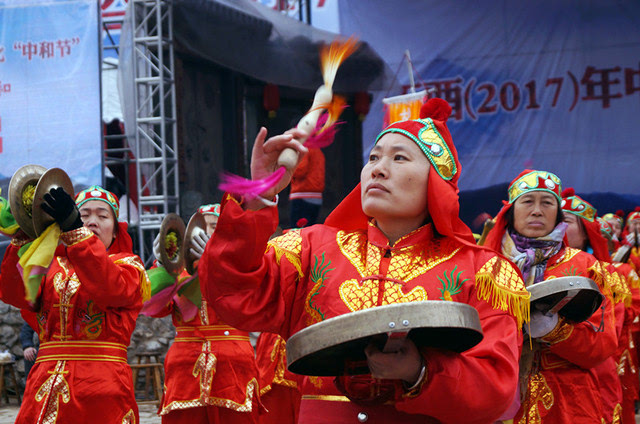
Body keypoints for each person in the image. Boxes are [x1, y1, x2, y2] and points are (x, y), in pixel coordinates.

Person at [199, 98, 530, 423]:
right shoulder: (310, 249)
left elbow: (494, 389)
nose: (378, 169)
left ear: (436, 182)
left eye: (399, 158)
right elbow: (233, 292)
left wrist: (419, 371)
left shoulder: (484, 270)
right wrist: (259, 195)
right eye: (373, 157)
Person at [0, 184, 149, 424]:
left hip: (100, 390)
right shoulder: (49, 263)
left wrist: (75, 231)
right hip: (44, 388)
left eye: (102, 216)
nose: (92, 221)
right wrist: (25, 237)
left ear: (116, 231)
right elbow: (14, 294)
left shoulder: (129, 266)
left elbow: (110, 288)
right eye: (83, 215)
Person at [483, 171, 618, 423]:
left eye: (547, 202)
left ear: (557, 212)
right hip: (493, 396)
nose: (537, 210)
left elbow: (603, 344)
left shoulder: (585, 266)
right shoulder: (484, 267)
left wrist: (556, 329)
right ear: (511, 211)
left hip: (566, 402)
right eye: (527, 201)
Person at [143, 203, 260, 423]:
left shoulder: (245, 267)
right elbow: (155, 307)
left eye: (215, 226)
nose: (206, 233)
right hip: (185, 364)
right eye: (201, 228)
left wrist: (215, 260)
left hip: (233, 364)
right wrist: (162, 265)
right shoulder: (180, 272)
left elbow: (248, 303)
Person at [562, 188, 629, 424]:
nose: (557, 225)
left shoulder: (605, 274)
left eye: (566, 220)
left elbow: (608, 332)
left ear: (586, 232)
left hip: (592, 375)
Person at [289, 147, 325, 227]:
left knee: (296, 233)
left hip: (302, 194)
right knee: (309, 230)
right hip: (316, 196)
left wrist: (288, 168)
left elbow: (300, 171)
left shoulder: (304, 149)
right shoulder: (318, 150)